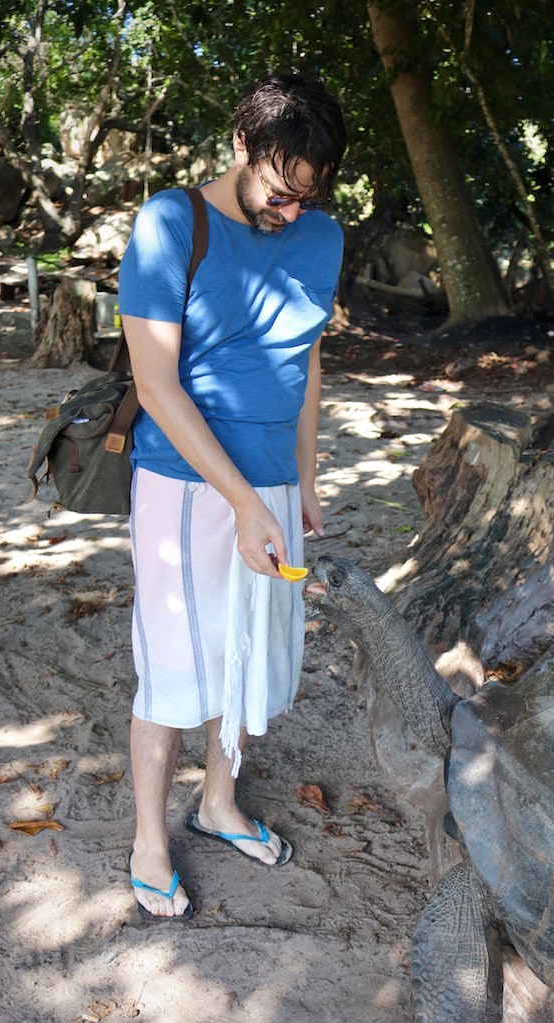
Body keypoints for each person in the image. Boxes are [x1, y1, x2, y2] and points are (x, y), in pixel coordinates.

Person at [118, 72, 347, 920]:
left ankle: (217, 804)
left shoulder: (322, 237)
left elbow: (306, 359)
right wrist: (244, 503)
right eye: (279, 193)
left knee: (250, 654)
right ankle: (150, 836)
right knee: (175, 667)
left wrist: (304, 478)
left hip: (275, 483)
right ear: (242, 145)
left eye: (307, 198)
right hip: (184, 483)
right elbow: (157, 382)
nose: (290, 214)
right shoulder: (171, 223)